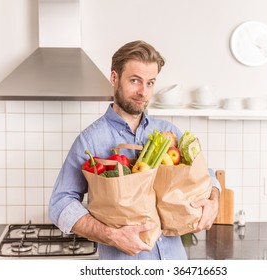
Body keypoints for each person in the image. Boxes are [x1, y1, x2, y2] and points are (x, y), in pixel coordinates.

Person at [49, 40, 220, 260]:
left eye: (150, 83)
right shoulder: (89, 141)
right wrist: (110, 235)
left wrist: (213, 200)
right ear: (114, 78)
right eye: (135, 81)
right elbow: (59, 204)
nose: (143, 92)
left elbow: (207, 175)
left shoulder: (168, 133)